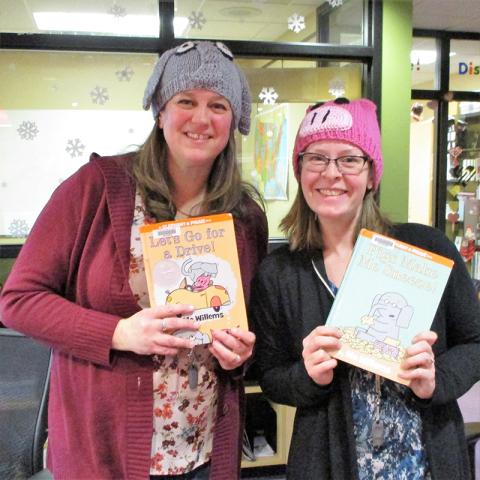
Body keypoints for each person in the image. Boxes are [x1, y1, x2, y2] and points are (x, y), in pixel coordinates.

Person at [0, 41, 268, 480]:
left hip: (203, 451)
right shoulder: (97, 189)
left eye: (218, 105)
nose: (202, 118)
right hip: (105, 454)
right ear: (160, 112)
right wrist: (119, 331)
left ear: (234, 120)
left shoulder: (243, 217)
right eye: (186, 101)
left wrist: (238, 356)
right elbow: (19, 300)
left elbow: (246, 326)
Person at [249, 98, 480, 479]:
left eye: (349, 159)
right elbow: (271, 375)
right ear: (300, 170)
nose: (331, 173)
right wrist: (308, 377)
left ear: (372, 174)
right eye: (316, 158)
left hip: (428, 461)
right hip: (327, 462)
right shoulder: (279, 273)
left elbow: (474, 341)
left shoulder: (425, 249)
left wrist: (437, 379)